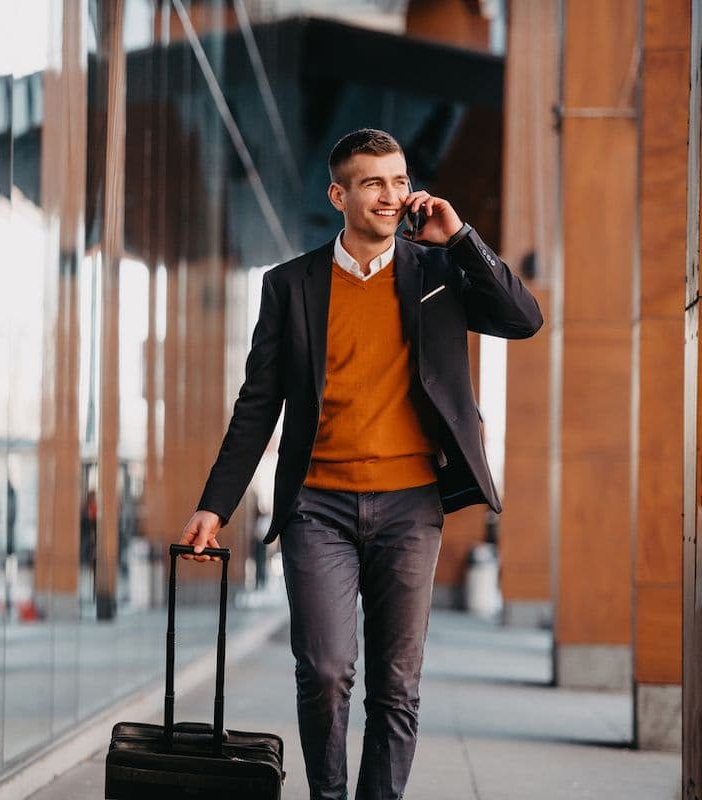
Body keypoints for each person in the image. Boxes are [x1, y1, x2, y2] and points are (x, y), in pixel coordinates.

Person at [177, 128, 542, 800]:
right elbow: (258, 405)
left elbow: (524, 319)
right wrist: (214, 505)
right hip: (317, 506)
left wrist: (460, 239)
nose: (391, 195)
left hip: (411, 506)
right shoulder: (290, 285)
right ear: (338, 195)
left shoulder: (438, 273)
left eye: (399, 180)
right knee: (324, 669)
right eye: (373, 182)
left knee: (397, 685)